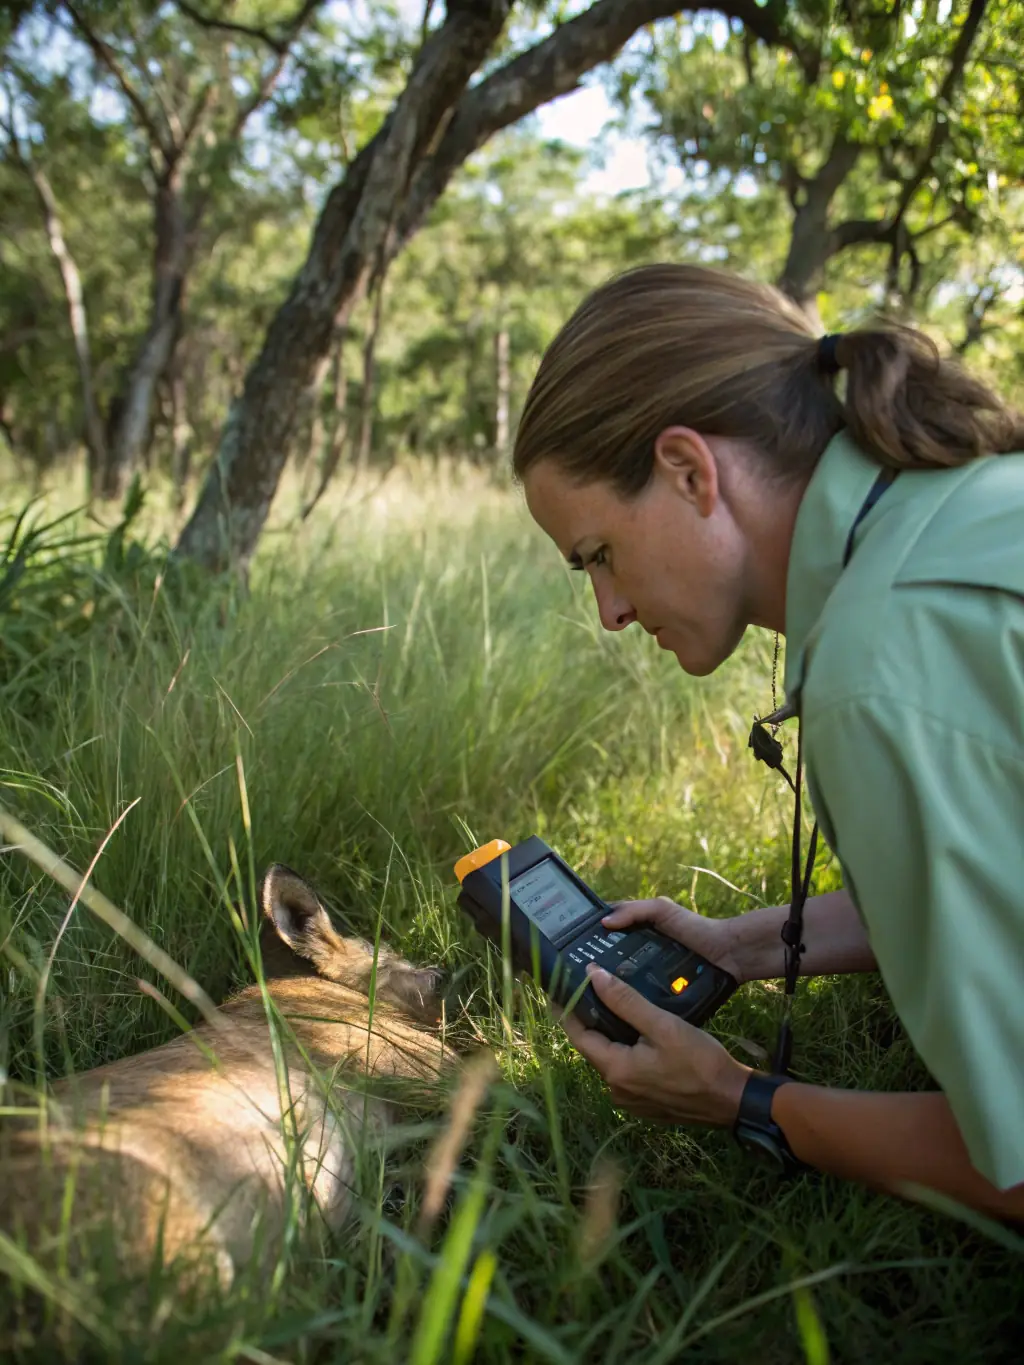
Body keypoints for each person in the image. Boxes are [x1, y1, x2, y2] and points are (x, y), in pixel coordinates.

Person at [512, 263, 1024, 1222]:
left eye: (599, 556)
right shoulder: (966, 501)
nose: (610, 611)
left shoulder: (876, 672)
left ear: (689, 470)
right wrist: (740, 947)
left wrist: (741, 1097)